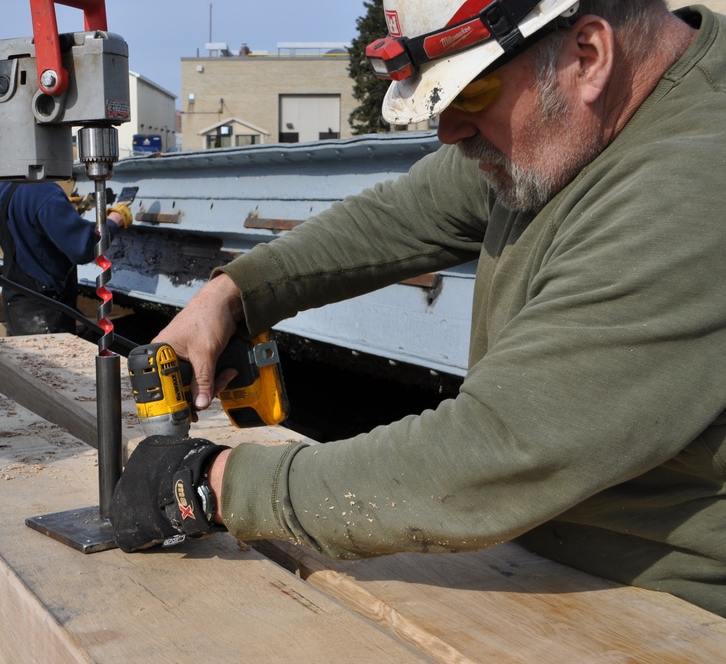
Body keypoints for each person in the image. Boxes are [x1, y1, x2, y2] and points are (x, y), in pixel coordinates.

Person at [110, 0, 726, 620]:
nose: (447, 129)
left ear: (588, 55)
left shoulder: (695, 182)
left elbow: (498, 449)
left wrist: (216, 485)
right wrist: (233, 293)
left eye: (472, 93)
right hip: (549, 557)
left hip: (674, 616)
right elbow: (404, 215)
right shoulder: (580, 126)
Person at [0, 181, 131, 335]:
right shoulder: (43, 190)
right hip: (45, 311)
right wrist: (113, 221)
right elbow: (82, 248)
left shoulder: (0, 183)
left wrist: (61, 211)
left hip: (16, 301)